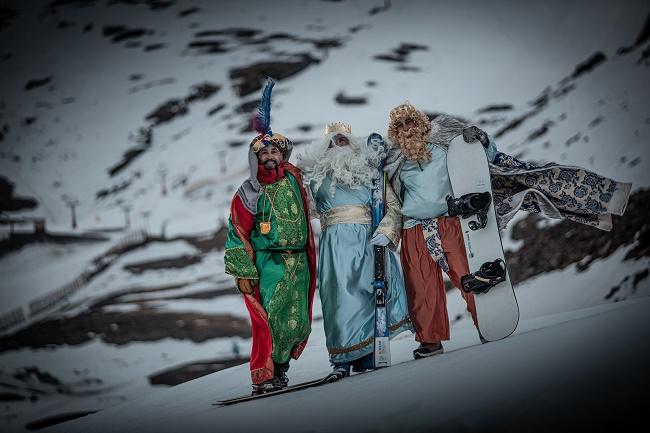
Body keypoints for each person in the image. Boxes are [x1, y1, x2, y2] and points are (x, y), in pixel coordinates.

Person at [383, 102, 631, 359]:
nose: (405, 129)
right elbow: (381, 193)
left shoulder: (447, 144)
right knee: (420, 287)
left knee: (469, 274)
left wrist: (481, 140)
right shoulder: (394, 163)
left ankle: (488, 323)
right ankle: (430, 341)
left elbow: (483, 157)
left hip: (451, 220)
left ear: (421, 122)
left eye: (409, 121)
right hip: (413, 228)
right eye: (398, 126)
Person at [224, 79, 317, 394]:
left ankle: (281, 371)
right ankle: (264, 376)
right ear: (254, 158)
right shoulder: (249, 191)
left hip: (299, 262)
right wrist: (243, 272)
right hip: (270, 263)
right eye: (263, 152)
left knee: (298, 322)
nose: (269, 157)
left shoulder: (294, 178)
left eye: (274, 150)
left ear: (282, 153)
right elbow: (237, 230)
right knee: (270, 320)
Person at [298, 122, 411, 377]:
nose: (338, 146)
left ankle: (367, 353)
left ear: (352, 143)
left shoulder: (371, 173)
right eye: (333, 142)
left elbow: (392, 205)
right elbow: (301, 209)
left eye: (343, 141)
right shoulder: (314, 179)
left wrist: (386, 232)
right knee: (338, 300)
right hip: (334, 247)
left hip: (368, 242)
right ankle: (341, 360)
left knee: (369, 296)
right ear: (324, 148)